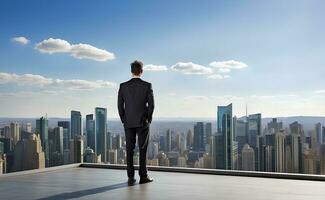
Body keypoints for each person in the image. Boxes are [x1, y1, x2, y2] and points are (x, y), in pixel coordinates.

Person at [118, 60, 154, 185]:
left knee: (129, 149)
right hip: (142, 122)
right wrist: (148, 118)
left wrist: (124, 119)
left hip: (128, 122)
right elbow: (151, 105)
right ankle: (143, 176)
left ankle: (130, 177)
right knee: (142, 149)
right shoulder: (147, 85)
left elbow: (119, 105)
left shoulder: (123, 86)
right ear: (141, 71)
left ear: (131, 71)